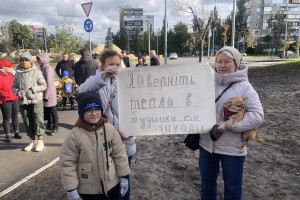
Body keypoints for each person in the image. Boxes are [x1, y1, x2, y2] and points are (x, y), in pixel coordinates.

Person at [198, 46, 264, 200]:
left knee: (233, 189)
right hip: (207, 145)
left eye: (227, 61)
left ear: (236, 63)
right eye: (219, 61)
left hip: (232, 149)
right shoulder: (207, 83)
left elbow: (258, 116)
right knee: (207, 186)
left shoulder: (245, 87)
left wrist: (228, 125)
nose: (222, 65)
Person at [78, 49, 136, 200]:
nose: (115, 68)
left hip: (124, 141)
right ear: (103, 66)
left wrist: (132, 130)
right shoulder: (96, 80)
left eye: (118, 64)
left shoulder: (129, 81)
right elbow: (81, 92)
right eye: (111, 64)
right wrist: (103, 77)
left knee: (124, 179)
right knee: (105, 180)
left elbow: (139, 110)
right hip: (102, 142)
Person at [60, 91, 130, 200]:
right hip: (88, 191)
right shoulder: (74, 135)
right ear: (82, 113)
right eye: (89, 110)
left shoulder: (109, 130)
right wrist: (71, 190)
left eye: (97, 109)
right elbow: (68, 163)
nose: (94, 113)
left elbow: (120, 154)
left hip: (112, 185)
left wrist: (124, 177)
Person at [12, 51, 47, 152]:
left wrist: (34, 90)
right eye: (22, 60)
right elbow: (13, 87)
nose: (24, 62)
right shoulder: (18, 73)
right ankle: (32, 141)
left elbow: (44, 85)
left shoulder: (36, 72)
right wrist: (17, 92)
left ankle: (40, 141)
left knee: (38, 119)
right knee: (27, 120)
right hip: (23, 100)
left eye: (26, 60)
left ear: (31, 61)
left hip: (36, 100)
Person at [36, 54, 58, 136]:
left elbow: (49, 83)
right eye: (38, 60)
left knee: (53, 110)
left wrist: (46, 96)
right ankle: (50, 125)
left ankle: (55, 127)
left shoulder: (48, 69)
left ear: (44, 60)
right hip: (44, 92)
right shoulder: (42, 68)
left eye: (39, 60)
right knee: (48, 110)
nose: (38, 62)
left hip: (50, 93)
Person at [0, 60, 21, 142]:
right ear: (3, 67)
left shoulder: (12, 75)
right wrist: (5, 95)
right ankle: (7, 135)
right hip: (5, 100)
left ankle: (17, 132)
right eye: (9, 66)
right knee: (6, 118)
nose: (11, 67)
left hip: (14, 98)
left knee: (15, 116)